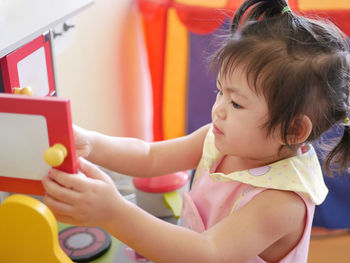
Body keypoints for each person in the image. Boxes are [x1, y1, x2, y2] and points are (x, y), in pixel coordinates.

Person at [42, 0, 350, 262]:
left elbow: (208, 253)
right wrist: (91, 143)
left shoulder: (281, 202)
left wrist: (113, 213)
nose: (218, 109)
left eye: (237, 104)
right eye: (220, 92)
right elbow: (149, 156)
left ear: (294, 129)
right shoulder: (218, 140)